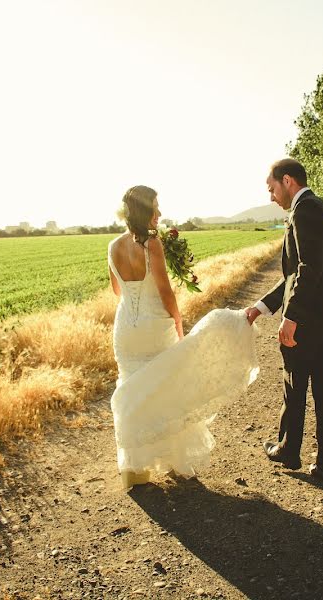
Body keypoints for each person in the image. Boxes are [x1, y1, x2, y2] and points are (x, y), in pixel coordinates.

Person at [108, 185, 259, 489]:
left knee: (133, 390)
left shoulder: (112, 246)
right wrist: (178, 324)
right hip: (155, 327)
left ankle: (136, 470)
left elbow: (116, 290)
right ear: (144, 211)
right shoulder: (152, 245)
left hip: (125, 328)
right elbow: (165, 292)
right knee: (166, 389)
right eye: (155, 207)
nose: (160, 213)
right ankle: (175, 463)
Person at [245, 158, 323, 485]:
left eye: (272, 188)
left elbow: (307, 270)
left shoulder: (304, 210)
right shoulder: (319, 207)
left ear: (288, 181)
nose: (271, 197)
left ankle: (288, 449)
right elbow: (295, 274)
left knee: (294, 383)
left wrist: (291, 317)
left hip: (313, 319)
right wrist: (262, 307)